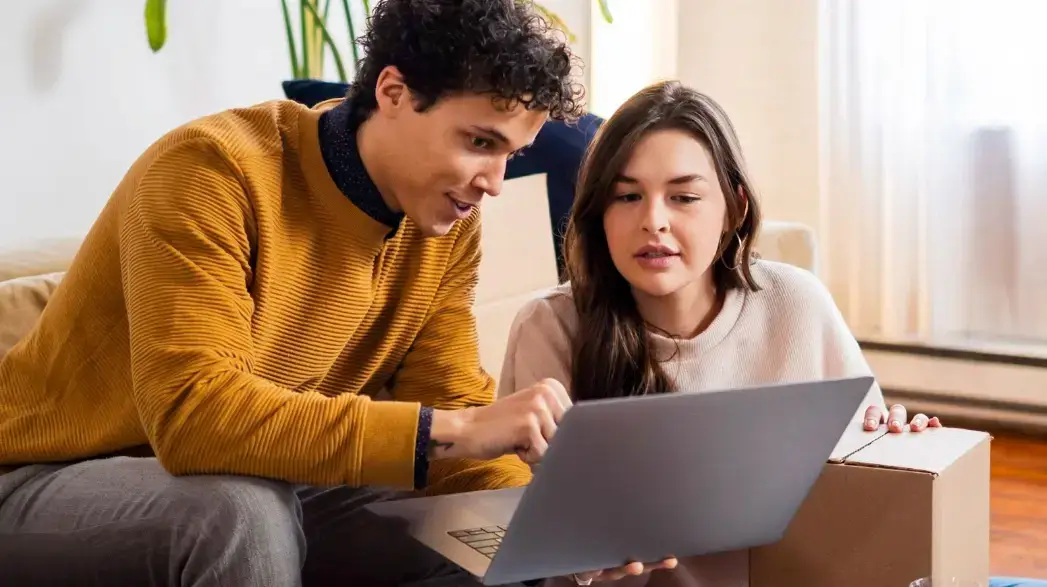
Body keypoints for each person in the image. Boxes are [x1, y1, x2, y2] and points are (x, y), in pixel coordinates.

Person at [0, 1, 670, 585]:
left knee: (473, 533)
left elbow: (448, 411)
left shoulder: (443, 226)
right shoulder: (212, 172)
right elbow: (193, 415)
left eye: (511, 155)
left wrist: (553, 533)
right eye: (477, 142)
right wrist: (459, 428)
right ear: (393, 91)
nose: (493, 181)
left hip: (266, 477)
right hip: (47, 480)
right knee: (237, 513)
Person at [497, 80, 947, 586]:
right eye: (627, 196)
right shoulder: (549, 327)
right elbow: (523, 539)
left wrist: (897, 446)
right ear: (599, 211)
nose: (654, 222)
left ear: (733, 208)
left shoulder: (796, 302)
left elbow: (862, 480)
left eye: (684, 196)